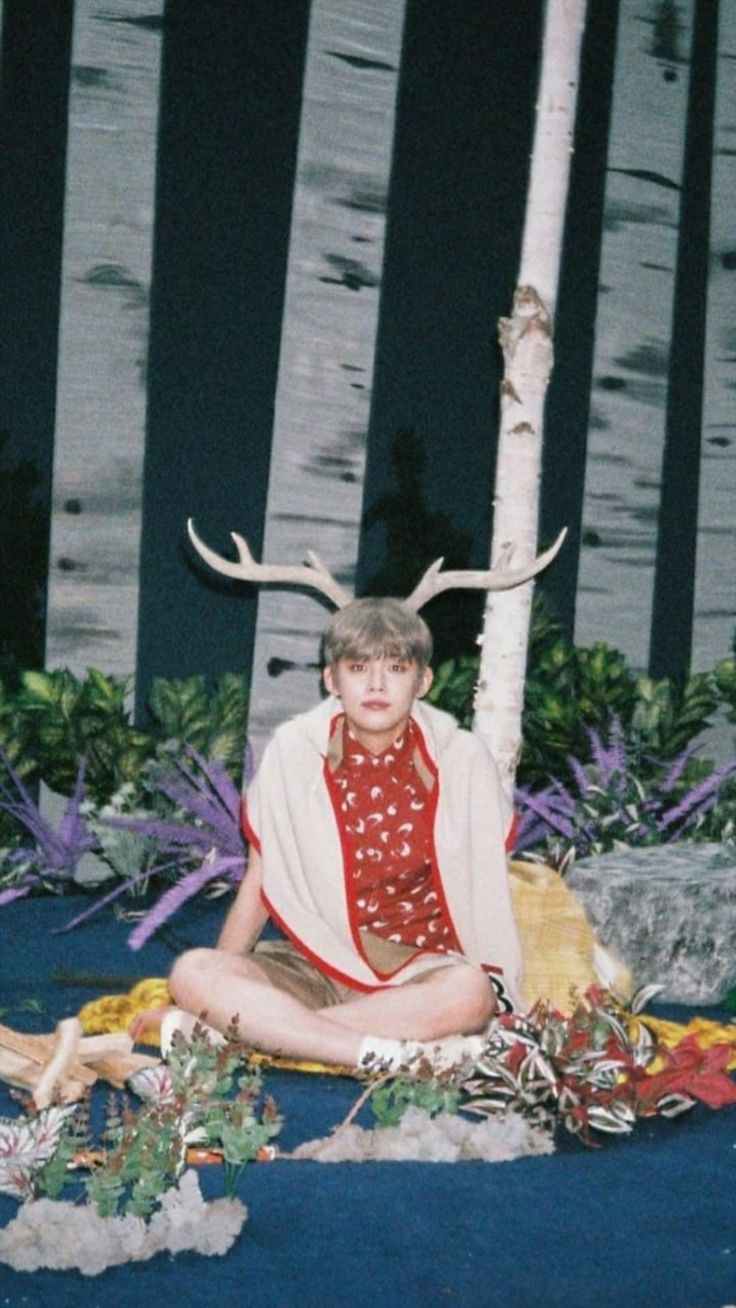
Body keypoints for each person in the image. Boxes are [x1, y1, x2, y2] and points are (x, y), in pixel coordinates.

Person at [165, 597, 523, 1074]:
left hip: (421, 975)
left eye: (396, 667)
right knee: (194, 971)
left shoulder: (463, 761)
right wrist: (204, 996)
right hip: (315, 963)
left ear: (423, 680)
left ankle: (269, 1036)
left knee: (469, 994)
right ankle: (372, 1053)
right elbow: (260, 883)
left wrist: (498, 991)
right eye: (358, 667)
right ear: (331, 679)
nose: (376, 684)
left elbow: (488, 895)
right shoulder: (293, 752)